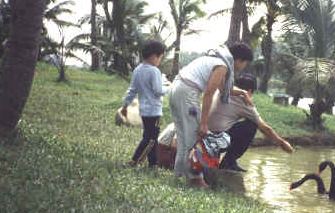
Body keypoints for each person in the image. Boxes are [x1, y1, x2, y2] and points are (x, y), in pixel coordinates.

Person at [168, 41, 253, 188]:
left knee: (183, 139)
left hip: (177, 90)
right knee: (195, 137)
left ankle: (179, 177)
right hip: (188, 94)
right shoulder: (222, 66)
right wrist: (203, 123)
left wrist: (243, 92)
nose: (244, 67)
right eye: (245, 63)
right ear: (240, 60)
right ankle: (195, 180)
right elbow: (209, 93)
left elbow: (223, 89)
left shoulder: (215, 58)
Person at [209, 72, 294, 172]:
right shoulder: (244, 102)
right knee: (251, 125)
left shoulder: (223, 89)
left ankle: (229, 161)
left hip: (203, 135)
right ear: (249, 91)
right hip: (216, 141)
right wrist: (283, 143)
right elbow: (265, 129)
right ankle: (229, 162)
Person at [120, 39, 170, 169]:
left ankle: (153, 165)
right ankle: (134, 161)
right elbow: (158, 91)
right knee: (151, 140)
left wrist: (125, 106)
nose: (159, 61)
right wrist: (170, 88)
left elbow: (132, 90)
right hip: (155, 112)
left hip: (144, 111)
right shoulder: (154, 71)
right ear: (154, 56)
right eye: (160, 57)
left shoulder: (137, 70)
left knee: (150, 137)